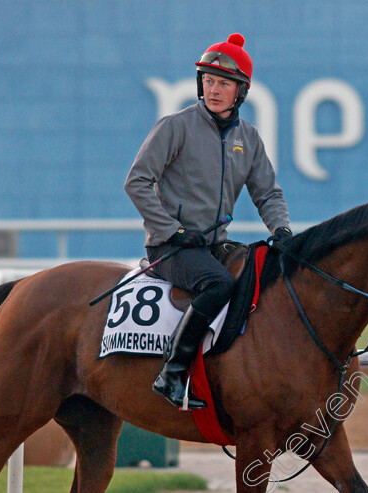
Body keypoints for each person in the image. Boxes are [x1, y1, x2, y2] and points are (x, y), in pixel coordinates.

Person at [125, 33, 292, 410]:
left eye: (224, 84)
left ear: (241, 91)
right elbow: (136, 182)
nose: (214, 90)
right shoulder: (175, 126)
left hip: (212, 245)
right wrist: (172, 230)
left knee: (260, 276)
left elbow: (267, 194)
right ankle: (173, 372)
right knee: (218, 284)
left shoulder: (248, 138)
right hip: (169, 246)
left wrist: (280, 229)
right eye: (209, 81)